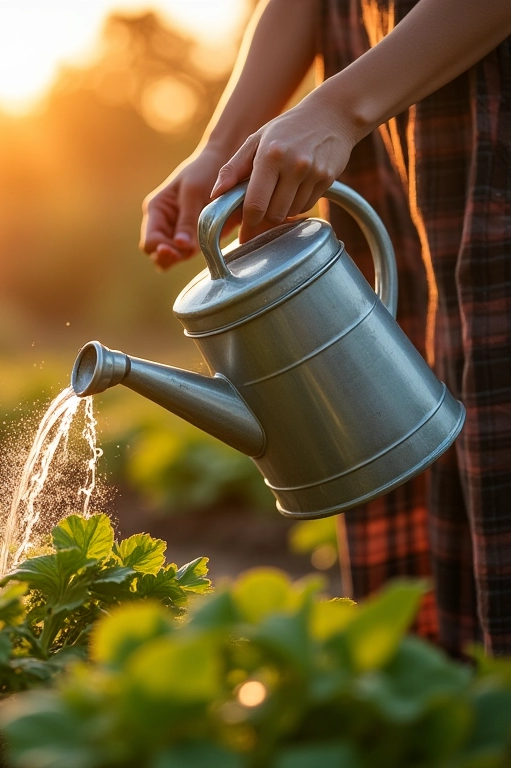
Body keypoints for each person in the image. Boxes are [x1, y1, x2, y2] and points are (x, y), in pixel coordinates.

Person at [140, 0, 511, 658]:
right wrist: (220, 148)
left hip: (469, 101)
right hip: (383, 129)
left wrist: (341, 108)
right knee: (387, 422)